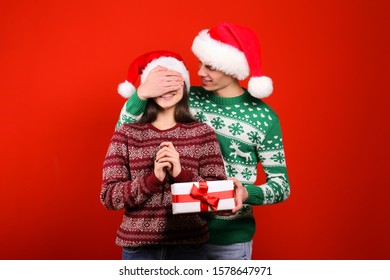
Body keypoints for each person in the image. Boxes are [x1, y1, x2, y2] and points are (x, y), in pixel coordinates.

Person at [116, 22, 290, 260]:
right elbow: (123, 134)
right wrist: (142, 93)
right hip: (179, 236)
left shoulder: (264, 118)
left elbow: (281, 186)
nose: (199, 72)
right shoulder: (186, 98)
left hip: (229, 240)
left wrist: (247, 193)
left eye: (210, 66)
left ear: (232, 68)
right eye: (199, 63)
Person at [101, 50, 227, 260]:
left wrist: (180, 175)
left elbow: (218, 200)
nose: (166, 89)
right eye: (160, 82)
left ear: (185, 85)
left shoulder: (203, 133)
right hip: (139, 250)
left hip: (190, 248)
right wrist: (152, 180)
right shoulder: (126, 134)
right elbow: (109, 197)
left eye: (173, 81)